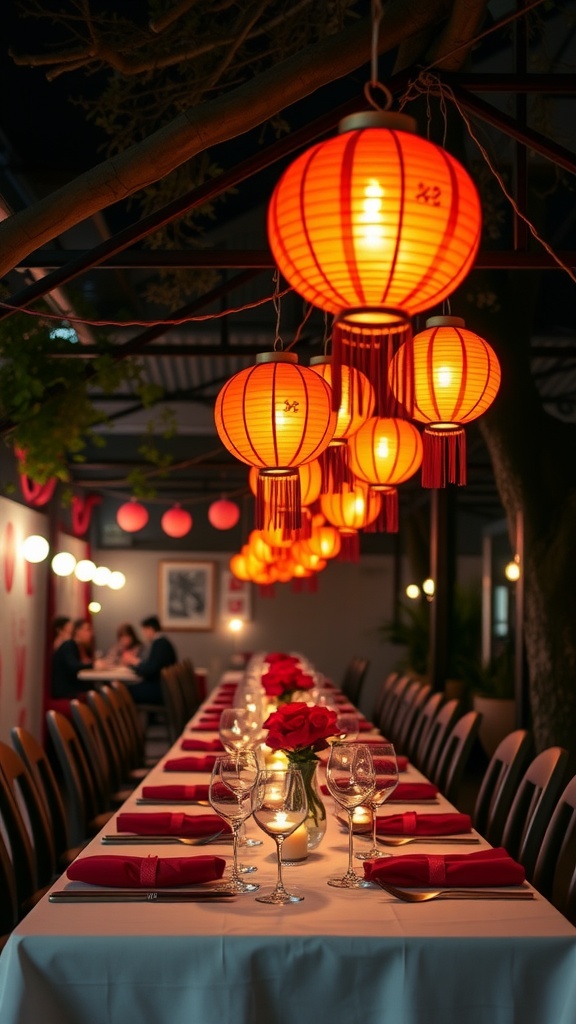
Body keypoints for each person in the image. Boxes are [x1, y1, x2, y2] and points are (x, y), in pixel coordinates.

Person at [122, 615, 177, 705]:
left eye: (144, 631)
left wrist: (134, 662)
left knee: (123, 691)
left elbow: (150, 670)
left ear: (150, 629)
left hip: (161, 689)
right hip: (165, 687)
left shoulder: (159, 644)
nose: (144, 634)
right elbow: (152, 665)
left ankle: (131, 719)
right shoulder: (163, 642)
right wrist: (137, 662)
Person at [51, 618, 95, 700]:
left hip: (72, 691)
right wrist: (93, 665)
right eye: (87, 630)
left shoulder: (79, 648)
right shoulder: (69, 645)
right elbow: (74, 667)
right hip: (66, 694)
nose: (91, 634)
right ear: (77, 631)